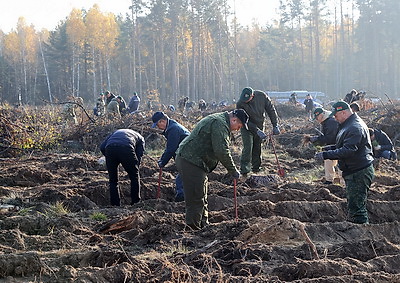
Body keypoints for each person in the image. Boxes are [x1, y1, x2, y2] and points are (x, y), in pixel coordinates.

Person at [175, 109, 249, 230]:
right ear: (234, 119)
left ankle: (204, 226)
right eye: (239, 126)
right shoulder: (220, 124)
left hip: (196, 162)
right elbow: (221, 151)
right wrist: (233, 170)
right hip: (190, 161)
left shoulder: (221, 120)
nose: (237, 129)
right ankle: (193, 229)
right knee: (195, 197)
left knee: (201, 195)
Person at [314, 101, 374, 224]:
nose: (334, 118)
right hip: (353, 170)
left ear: (344, 112)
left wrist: (326, 155)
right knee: (353, 204)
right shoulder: (348, 125)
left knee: (357, 208)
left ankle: (362, 233)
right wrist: (329, 149)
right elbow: (344, 144)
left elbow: (349, 150)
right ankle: (355, 228)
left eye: (336, 115)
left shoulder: (354, 127)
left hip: (359, 171)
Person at [236, 87, 280, 177]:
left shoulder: (262, 96)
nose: (246, 101)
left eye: (248, 99)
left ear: (252, 96)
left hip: (260, 123)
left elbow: (271, 110)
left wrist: (275, 125)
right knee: (248, 146)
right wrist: (256, 130)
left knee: (257, 146)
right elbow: (243, 120)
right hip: (246, 127)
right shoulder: (240, 103)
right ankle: (244, 170)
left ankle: (256, 168)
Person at [151, 111, 190, 202]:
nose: (158, 127)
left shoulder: (173, 129)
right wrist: (162, 159)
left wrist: (162, 162)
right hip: (186, 155)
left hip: (190, 155)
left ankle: (181, 200)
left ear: (162, 121)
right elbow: (170, 148)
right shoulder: (171, 127)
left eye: (157, 125)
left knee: (180, 180)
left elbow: (171, 149)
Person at [100, 129, 145, 206]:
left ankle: (115, 205)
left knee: (113, 180)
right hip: (126, 148)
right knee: (134, 176)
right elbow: (139, 154)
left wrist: (109, 158)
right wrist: (134, 166)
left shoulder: (115, 133)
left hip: (110, 149)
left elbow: (102, 147)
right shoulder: (141, 138)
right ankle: (135, 202)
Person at [305, 107, 340, 184]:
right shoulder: (325, 122)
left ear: (321, 114)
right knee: (328, 161)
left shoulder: (331, 122)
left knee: (341, 165)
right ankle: (329, 180)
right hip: (330, 145)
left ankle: (344, 183)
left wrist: (317, 139)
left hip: (338, 145)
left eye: (317, 117)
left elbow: (330, 138)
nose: (317, 119)